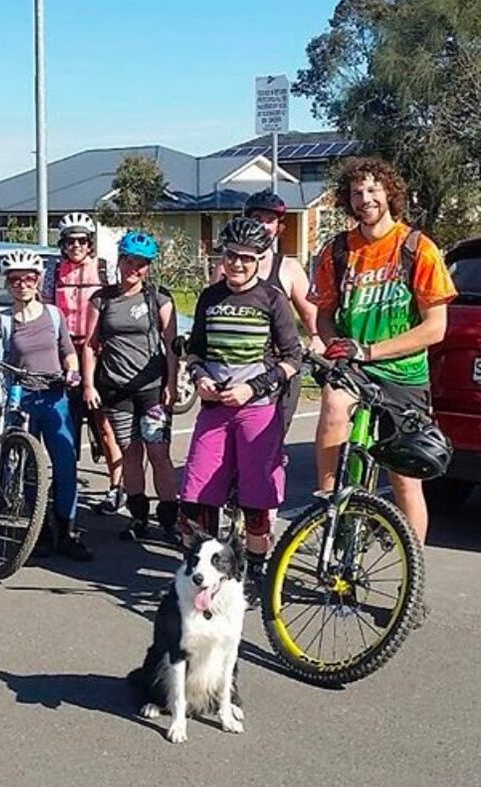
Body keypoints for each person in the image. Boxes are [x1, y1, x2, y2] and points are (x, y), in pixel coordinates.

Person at [307, 157, 456, 546]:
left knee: (405, 480)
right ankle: (329, 504)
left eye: (373, 190)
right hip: (354, 365)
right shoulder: (337, 251)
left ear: (389, 193)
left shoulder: (417, 248)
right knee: (333, 404)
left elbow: (435, 328)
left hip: (403, 373)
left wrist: (370, 350)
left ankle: (414, 574)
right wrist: (333, 344)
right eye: (356, 193)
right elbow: (323, 315)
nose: (365, 199)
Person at [179, 216, 302, 600]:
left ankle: (257, 573)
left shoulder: (272, 299)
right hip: (215, 408)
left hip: (256, 409)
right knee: (197, 495)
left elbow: (293, 357)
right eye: (232, 256)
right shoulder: (210, 297)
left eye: (247, 259)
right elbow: (195, 349)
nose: (238, 264)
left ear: (260, 259)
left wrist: (253, 388)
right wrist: (199, 376)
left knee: (256, 500)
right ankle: (202, 565)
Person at [0, 250, 90, 561]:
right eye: (15, 280)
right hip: (21, 397)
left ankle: (66, 531)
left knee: (64, 466)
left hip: (53, 395)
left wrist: (72, 370)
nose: (23, 284)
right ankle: (36, 531)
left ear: (38, 281)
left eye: (29, 279)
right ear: (7, 284)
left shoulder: (53, 315)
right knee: (25, 466)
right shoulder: (4, 320)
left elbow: (68, 351)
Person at [81, 231, 180, 543]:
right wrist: (88, 383)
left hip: (151, 388)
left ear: (148, 267)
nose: (133, 269)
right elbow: (90, 344)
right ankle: (138, 517)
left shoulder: (159, 298)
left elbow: (172, 344)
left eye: (141, 264)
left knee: (159, 454)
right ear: (119, 261)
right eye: (129, 261)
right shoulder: (102, 299)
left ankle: (169, 520)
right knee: (131, 453)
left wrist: (173, 383)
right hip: (116, 389)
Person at [212, 189, 323, 430]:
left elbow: (311, 313)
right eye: (257, 219)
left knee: (270, 445)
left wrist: (315, 337)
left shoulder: (288, 268)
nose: (263, 226)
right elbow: (214, 312)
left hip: (277, 370)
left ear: (278, 226)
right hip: (235, 368)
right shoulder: (225, 266)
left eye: (270, 221)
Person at [42, 211, 124, 513]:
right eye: (70, 241)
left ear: (90, 243)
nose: (76, 246)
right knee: (66, 423)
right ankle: (65, 480)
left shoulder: (105, 269)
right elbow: (46, 309)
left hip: (100, 353)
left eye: (81, 241)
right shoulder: (53, 272)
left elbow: (118, 306)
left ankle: (117, 486)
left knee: (105, 424)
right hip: (65, 354)